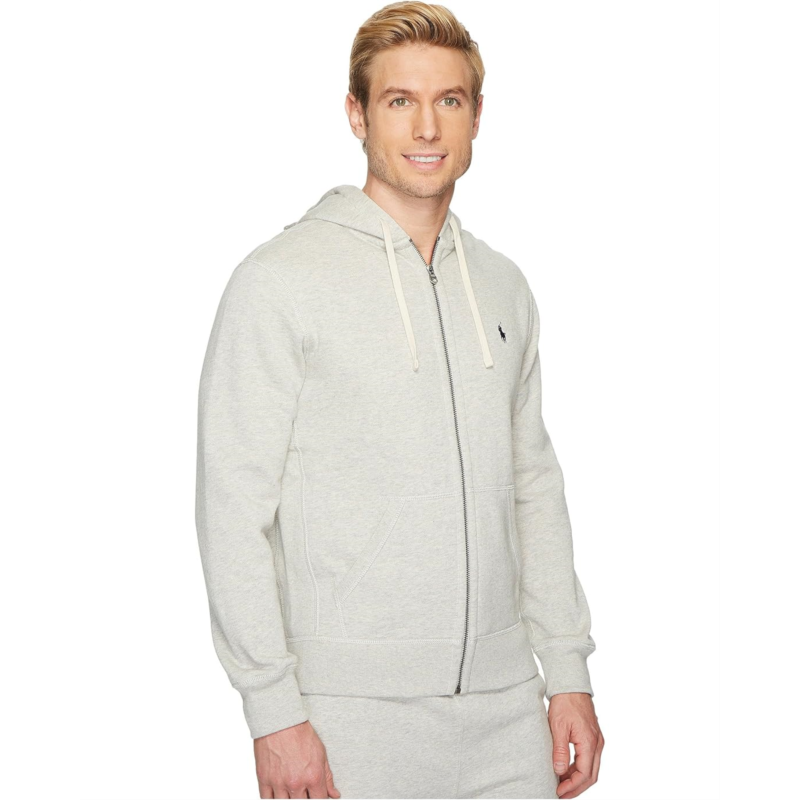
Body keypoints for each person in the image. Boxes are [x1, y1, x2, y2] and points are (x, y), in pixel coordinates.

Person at [195, 2, 604, 797]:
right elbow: (232, 508)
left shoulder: (503, 286)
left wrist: (567, 673)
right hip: (348, 717)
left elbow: (533, 488)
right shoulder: (278, 282)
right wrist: (273, 712)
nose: (426, 127)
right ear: (357, 114)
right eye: (398, 100)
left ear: (477, 116)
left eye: (448, 100)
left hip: (507, 710)